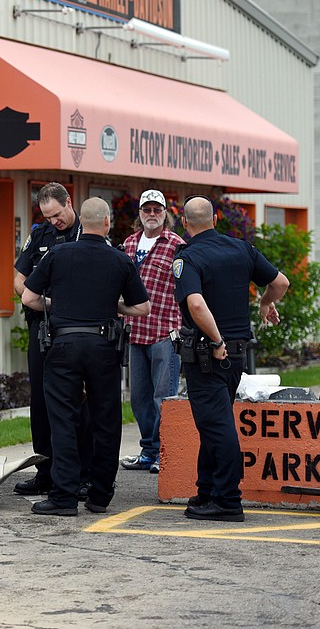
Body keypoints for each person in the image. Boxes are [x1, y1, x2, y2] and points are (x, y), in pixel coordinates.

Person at [20, 197, 151, 516]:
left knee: (63, 419)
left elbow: (29, 297)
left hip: (63, 345)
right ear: (106, 223)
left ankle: (63, 497)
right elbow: (143, 307)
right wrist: (114, 307)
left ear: (82, 219)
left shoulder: (58, 253)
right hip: (103, 346)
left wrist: (60, 306)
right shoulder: (120, 260)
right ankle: (100, 495)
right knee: (105, 419)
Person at [174, 196, 290, 523]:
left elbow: (196, 305)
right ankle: (207, 491)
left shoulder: (189, 257)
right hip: (236, 353)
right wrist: (266, 304)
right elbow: (280, 282)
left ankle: (227, 500)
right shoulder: (242, 249)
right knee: (214, 422)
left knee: (217, 425)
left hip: (209, 352)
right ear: (215, 218)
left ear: (185, 223)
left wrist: (215, 339)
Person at [12, 182, 89, 497]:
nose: (53, 221)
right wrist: (37, 300)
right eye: (47, 216)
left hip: (73, 330)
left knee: (78, 400)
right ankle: (45, 471)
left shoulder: (87, 233)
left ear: (69, 203)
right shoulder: (40, 235)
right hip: (41, 328)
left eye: (57, 215)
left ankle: (81, 474)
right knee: (41, 401)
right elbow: (19, 278)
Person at [120, 189, 186, 474]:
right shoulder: (129, 243)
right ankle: (148, 450)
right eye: (146, 209)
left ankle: (166, 454)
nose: (151, 214)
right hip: (135, 331)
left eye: (157, 210)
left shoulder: (177, 245)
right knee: (139, 398)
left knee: (164, 399)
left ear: (165, 214)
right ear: (139, 213)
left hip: (165, 331)